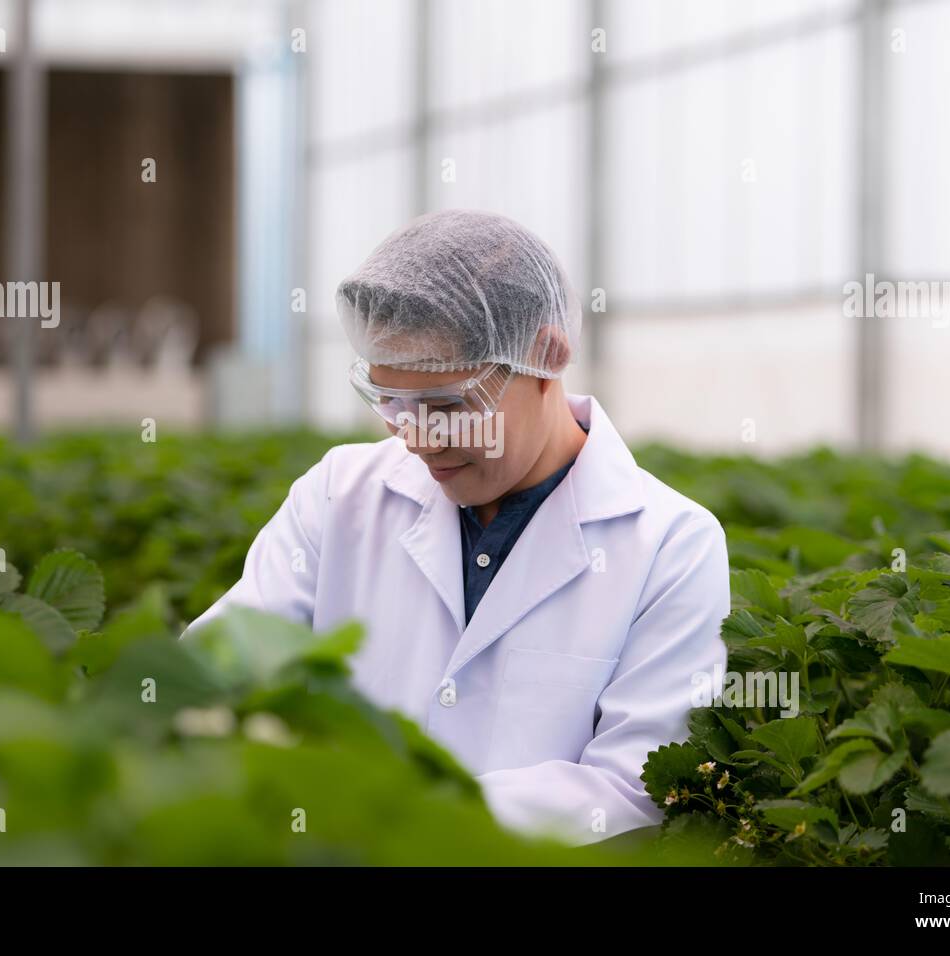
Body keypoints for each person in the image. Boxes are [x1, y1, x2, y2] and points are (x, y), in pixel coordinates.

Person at [184, 208, 730, 846]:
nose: (417, 438)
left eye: (445, 405)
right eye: (391, 403)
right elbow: (213, 676)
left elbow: (633, 786)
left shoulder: (671, 545)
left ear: (546, 354)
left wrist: (395, 815)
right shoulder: (338, 497)